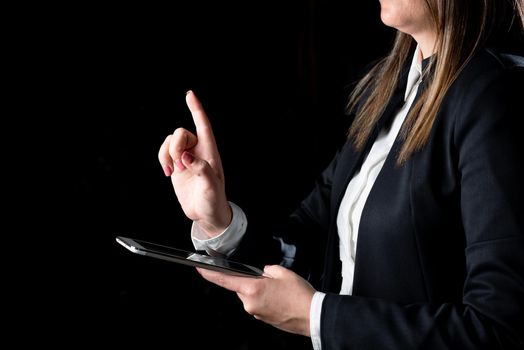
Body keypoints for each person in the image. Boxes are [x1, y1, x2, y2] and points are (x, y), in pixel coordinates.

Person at [158, 0, 524, 348]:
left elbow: (498, 329)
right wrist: (218, 218)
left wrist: (316, 317)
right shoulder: (388, 91)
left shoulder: (495, 97)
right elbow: (309, 247)